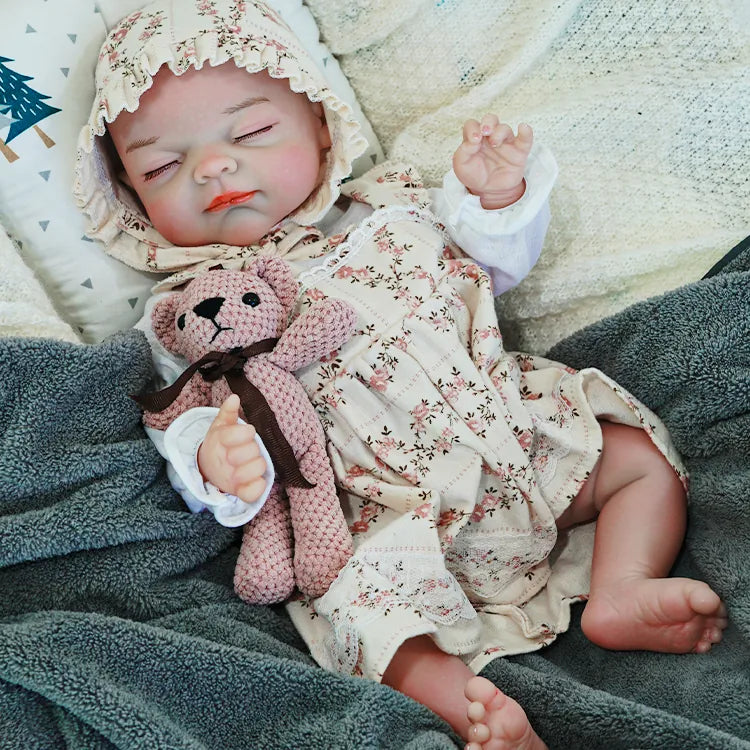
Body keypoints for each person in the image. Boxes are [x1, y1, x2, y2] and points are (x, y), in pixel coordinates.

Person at [74, 2, 727, 747]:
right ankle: (475, 710)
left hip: (515, 437)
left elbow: (492, 263)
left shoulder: (395, 207)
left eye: (250, 132)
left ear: (322, 127)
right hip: (383, 521)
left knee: (635, 455)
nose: (212, 167)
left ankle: (623, 586)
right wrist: (213, 460)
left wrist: (495, 197)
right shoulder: (182, 314)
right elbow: (178, 417)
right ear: (128, 199)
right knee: (366, 623)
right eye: (162, 165)